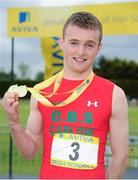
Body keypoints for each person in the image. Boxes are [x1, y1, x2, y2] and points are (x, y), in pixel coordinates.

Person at [2, 11, 128, 179]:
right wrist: (14, 124)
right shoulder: (41, 92)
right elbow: (29, 152)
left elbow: (120, 157)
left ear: (99, 48)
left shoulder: (114, 94)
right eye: (74, 43)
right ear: (61, 43)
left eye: (89, 44)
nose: (81, 51)